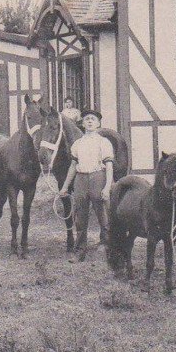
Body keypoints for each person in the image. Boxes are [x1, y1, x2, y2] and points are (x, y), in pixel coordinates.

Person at [59, 108, 114, 262]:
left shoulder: (104, 142)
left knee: (102, 214)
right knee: (80, 217)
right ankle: (80, 251)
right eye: (87, 119)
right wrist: (65, 187)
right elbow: (73, 166)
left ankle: (108, 247)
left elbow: (109, 166)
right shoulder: (77, 144)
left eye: (93, 119)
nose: (89, 121)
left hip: (98, 177)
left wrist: (107, 187)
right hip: (81, 179)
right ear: (82, 124)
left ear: (98, 124)